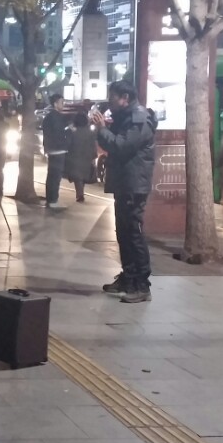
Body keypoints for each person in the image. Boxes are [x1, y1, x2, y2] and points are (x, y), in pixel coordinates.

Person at [91, 80, 158, 303]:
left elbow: (120, 146)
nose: (109, 101)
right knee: (123, 232)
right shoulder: (126, 117)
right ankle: (128, 277)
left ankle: (141, 284)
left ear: (125, 98)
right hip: (124, 183)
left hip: (133, 184)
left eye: (113, 97)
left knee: (133, 233)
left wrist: (102, 129)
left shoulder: (139, 119)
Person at [42, 94, 71, 209]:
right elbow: (60, 133)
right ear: (55, 104)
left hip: (52, 149)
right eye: (61, 102)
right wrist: (69, 131)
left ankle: (51, 199)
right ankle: (53, 200)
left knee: (52, 175)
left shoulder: (48, 117)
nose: (63, 104)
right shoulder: (57, 117)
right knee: (55, 176)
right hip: (58, 150)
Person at [65, 111, 97, 203]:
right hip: (87, 156)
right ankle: (80, 193)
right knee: (82, 176)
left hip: (75, 156)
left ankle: (80, 195)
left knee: (77, 177)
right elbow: (93, 144)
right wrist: (93, 156)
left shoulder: (73, 132)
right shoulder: (90, 132)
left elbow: (68, 144)